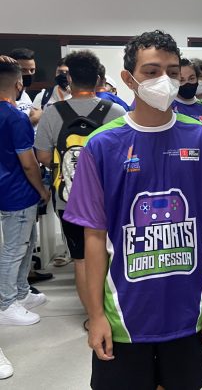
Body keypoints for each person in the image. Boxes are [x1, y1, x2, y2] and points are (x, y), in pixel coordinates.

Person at [63, 30, 202, 390]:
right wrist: (96, 315)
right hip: (124, 315)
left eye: (172, 72)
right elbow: (94, 237)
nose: (164, 81)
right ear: (129, 78)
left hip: (189, 310)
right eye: (152, 71)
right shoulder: (101, 146)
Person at [35, 50, 125, 318]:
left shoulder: (53, 113)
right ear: (99, 79)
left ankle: (93, 316)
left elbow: (42, 156)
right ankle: (112, 312)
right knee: (111, 254)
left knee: (82, 259)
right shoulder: (116, 112)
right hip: (110, 198)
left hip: (69, 199)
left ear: (69, 79)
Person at [0, 58, 50, 326]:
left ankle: (21, 292)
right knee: (14, 249)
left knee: (27, 242)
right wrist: (42, 189)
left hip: (8, 188)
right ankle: (6, 304)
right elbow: (29, 163)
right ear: (19, 85)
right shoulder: (15, 117)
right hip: (18, 191)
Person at [172, 58, 202, 123]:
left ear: (197, 79)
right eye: (182, 80)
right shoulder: (168, 107)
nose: (187, 83)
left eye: (191, 78)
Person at [8, 48, 42, 126]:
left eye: (32, 70)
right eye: (23, 70)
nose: (29, 73)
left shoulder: (24, 95)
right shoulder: (4, 97)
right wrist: (34, 119)